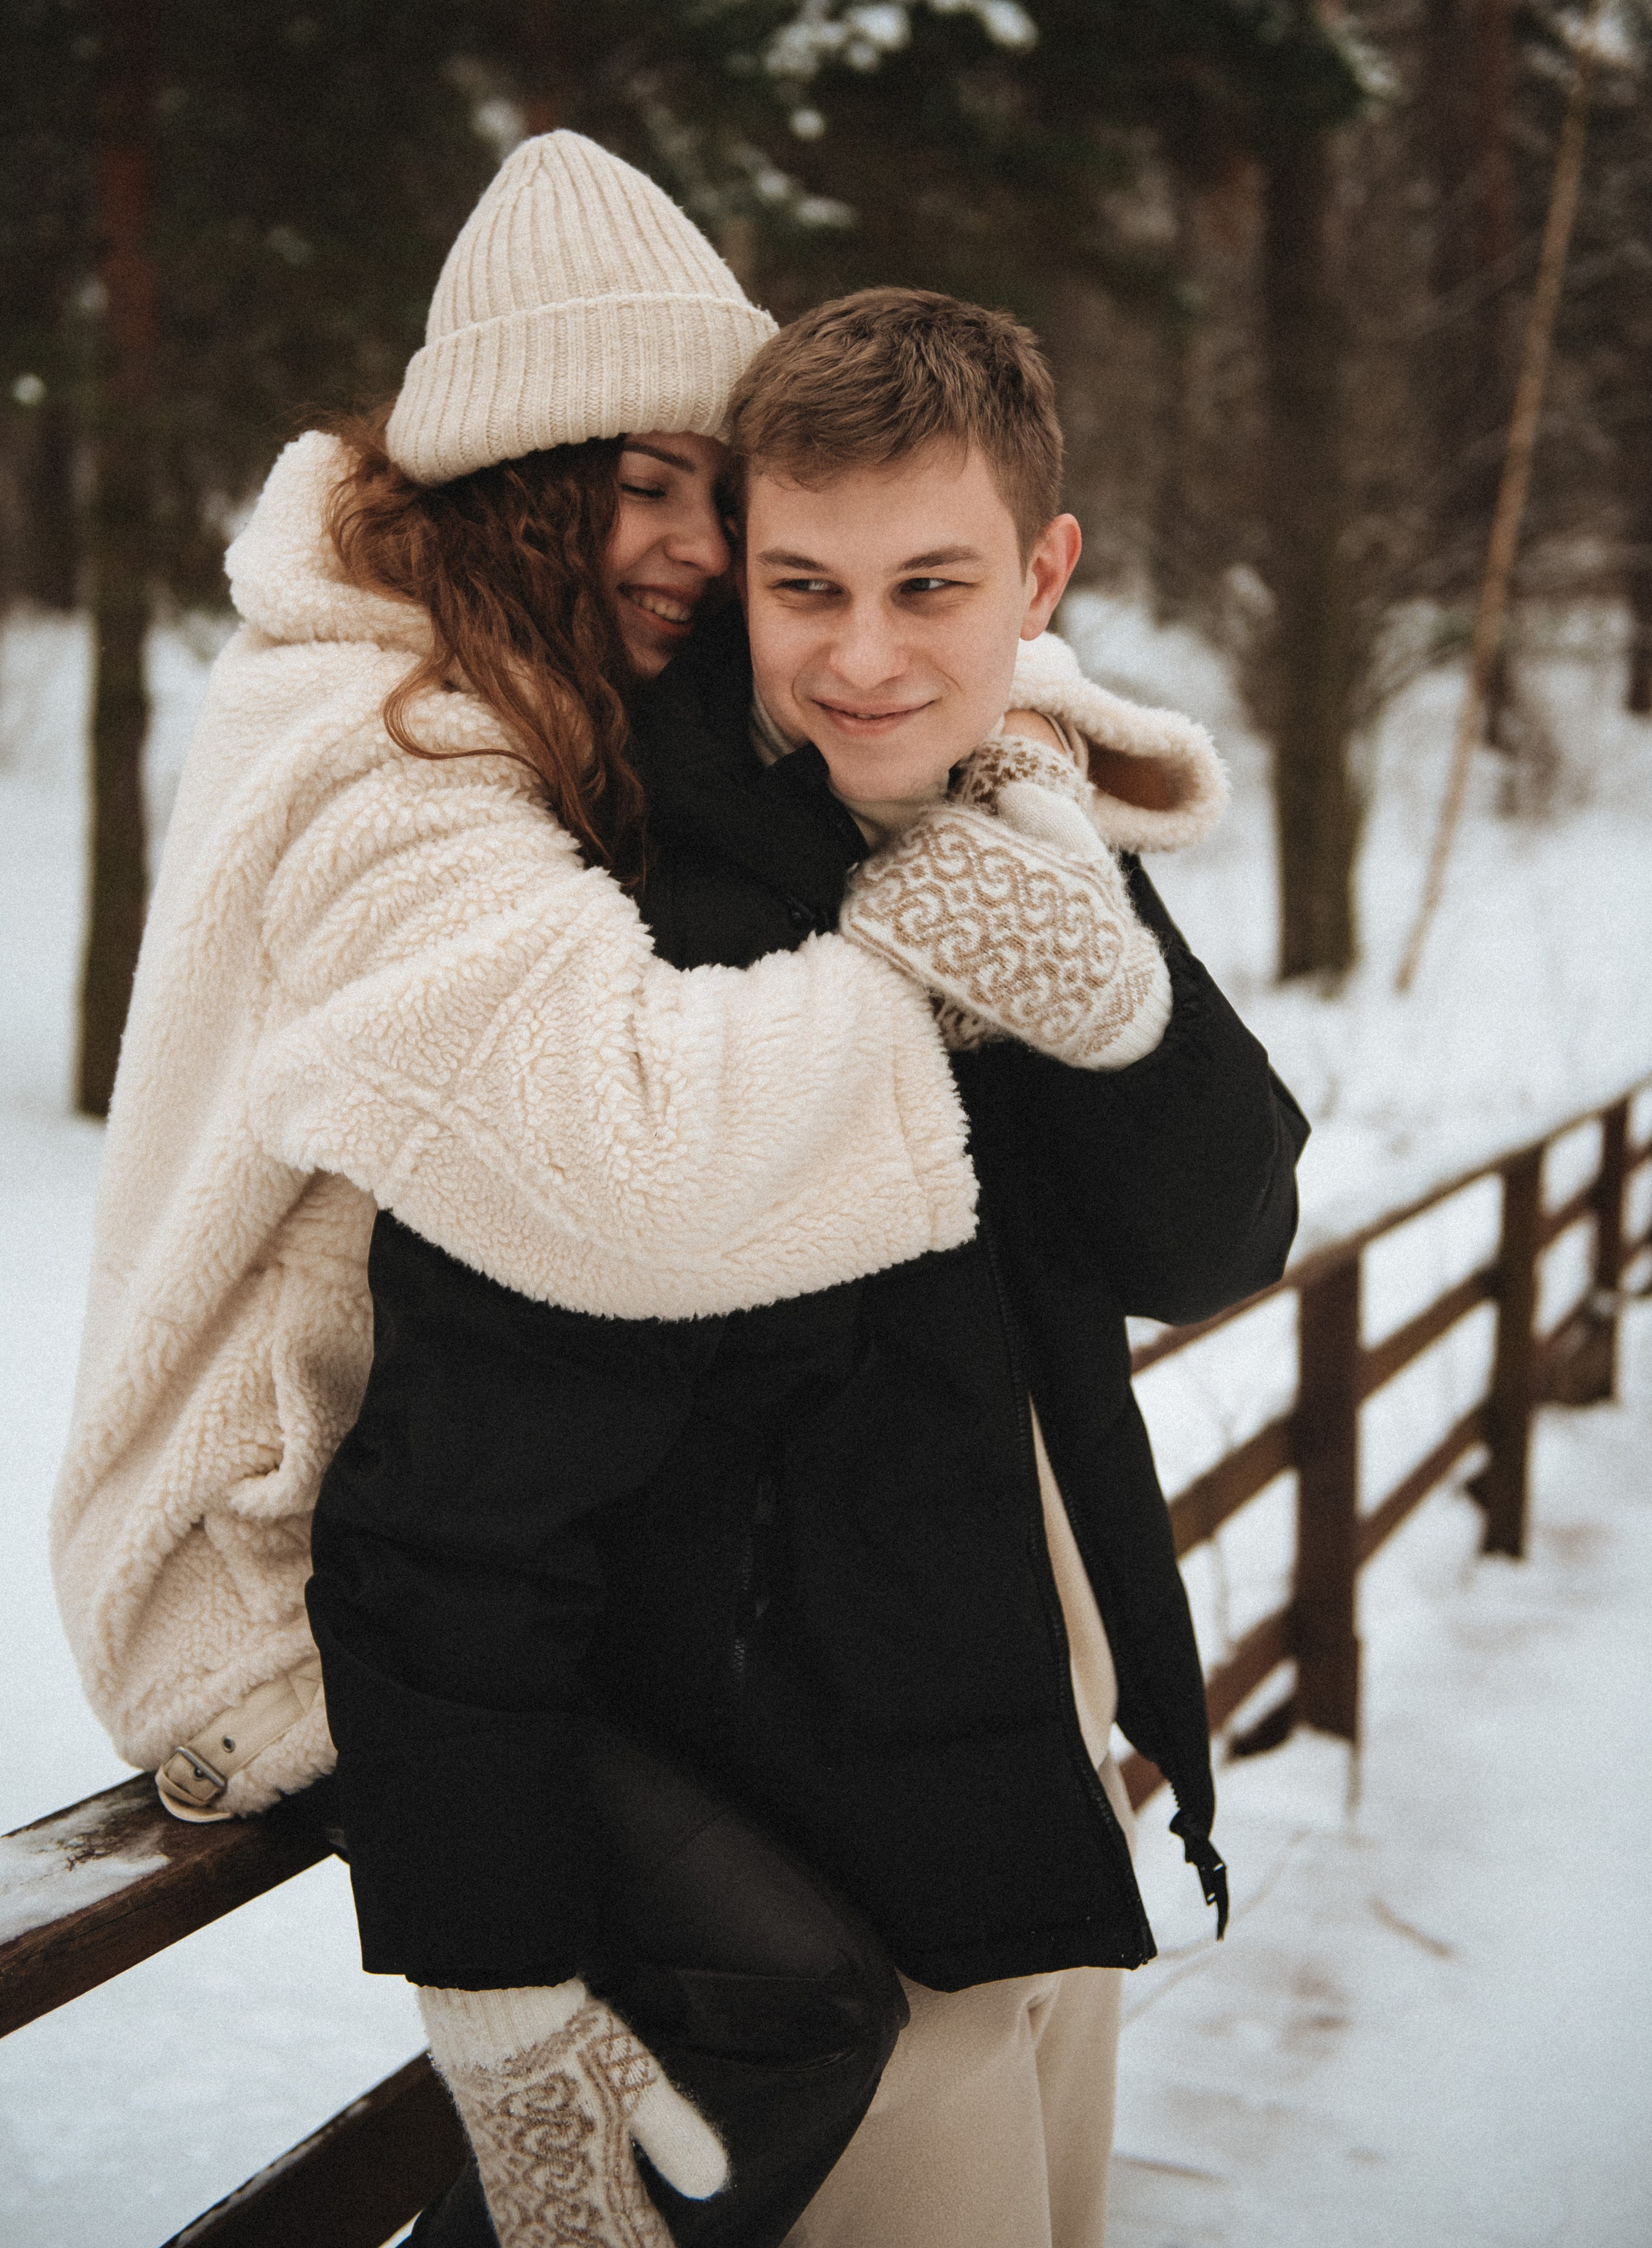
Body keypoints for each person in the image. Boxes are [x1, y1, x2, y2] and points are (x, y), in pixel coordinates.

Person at [45, 135, 1273, 2244]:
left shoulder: (812, 750)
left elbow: (1205, 1226)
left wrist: (1075, 897)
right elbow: (565, 1283)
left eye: (724, 486)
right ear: (500, 495)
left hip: (1018, 1793)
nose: (701, 547)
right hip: (402, 1609)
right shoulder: (412, 772)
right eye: (628, 483)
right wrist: (505, 1979)